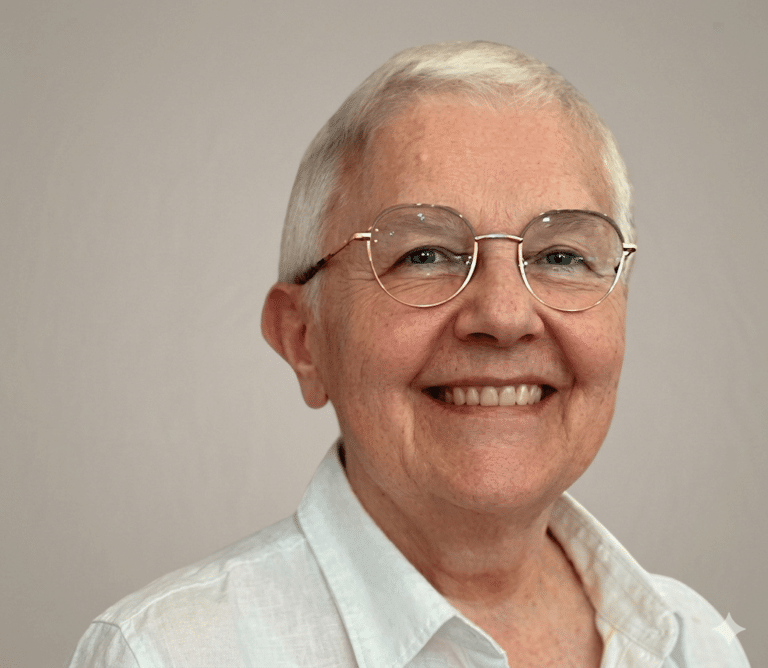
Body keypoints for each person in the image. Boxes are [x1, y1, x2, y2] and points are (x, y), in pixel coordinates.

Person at [66, 41, 750, 668]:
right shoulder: (166, 653)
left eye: (562, 257)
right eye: (425, 254)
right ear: (304, 339)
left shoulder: (694, 643)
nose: (504, 316)